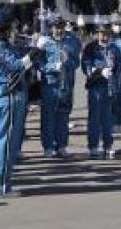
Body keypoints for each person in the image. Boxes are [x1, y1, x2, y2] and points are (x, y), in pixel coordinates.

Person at [0, 4, 29, 198]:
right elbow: (16, 66)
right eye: (11, 25)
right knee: (6, 141)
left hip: (8, 94)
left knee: (6, 140)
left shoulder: (2, 44)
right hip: (9, 94)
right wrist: (34, 53)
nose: (14, 29)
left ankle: (2, 182)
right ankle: (1, 185)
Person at [38, 15, 81, 158]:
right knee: (48, 116)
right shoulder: (44, 41)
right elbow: (39, 64)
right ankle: (48, 147)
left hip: (66, 83)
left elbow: (76, 62)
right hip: (50, 84)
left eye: (61, 26)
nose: (59, 30)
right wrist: (52, 67)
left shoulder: (72, 41)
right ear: (51, 27)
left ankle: (61, 146)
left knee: (63, 116)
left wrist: (67, 64)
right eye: (56, 27)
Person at [82, 23, 121, 158]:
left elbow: (120, 66)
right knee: (94, 117)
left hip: (109, 86)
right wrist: (99, 71)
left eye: (106, 33)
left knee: (108, 118)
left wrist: (115, 77)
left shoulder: (114, 48)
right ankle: (93, 146)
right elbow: (86, 65)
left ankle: (108, 145)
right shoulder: (90, 48)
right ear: (97, 33)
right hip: (96, 86)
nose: (104, 35)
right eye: (101, 32)